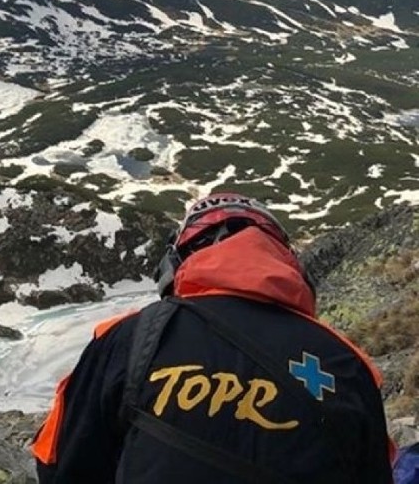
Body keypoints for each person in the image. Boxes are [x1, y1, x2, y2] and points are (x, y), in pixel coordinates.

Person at [31, 191, 395, 483]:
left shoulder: (131, 336)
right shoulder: (347, 363)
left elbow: (58, 462)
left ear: (174, 264)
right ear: (287, 260)